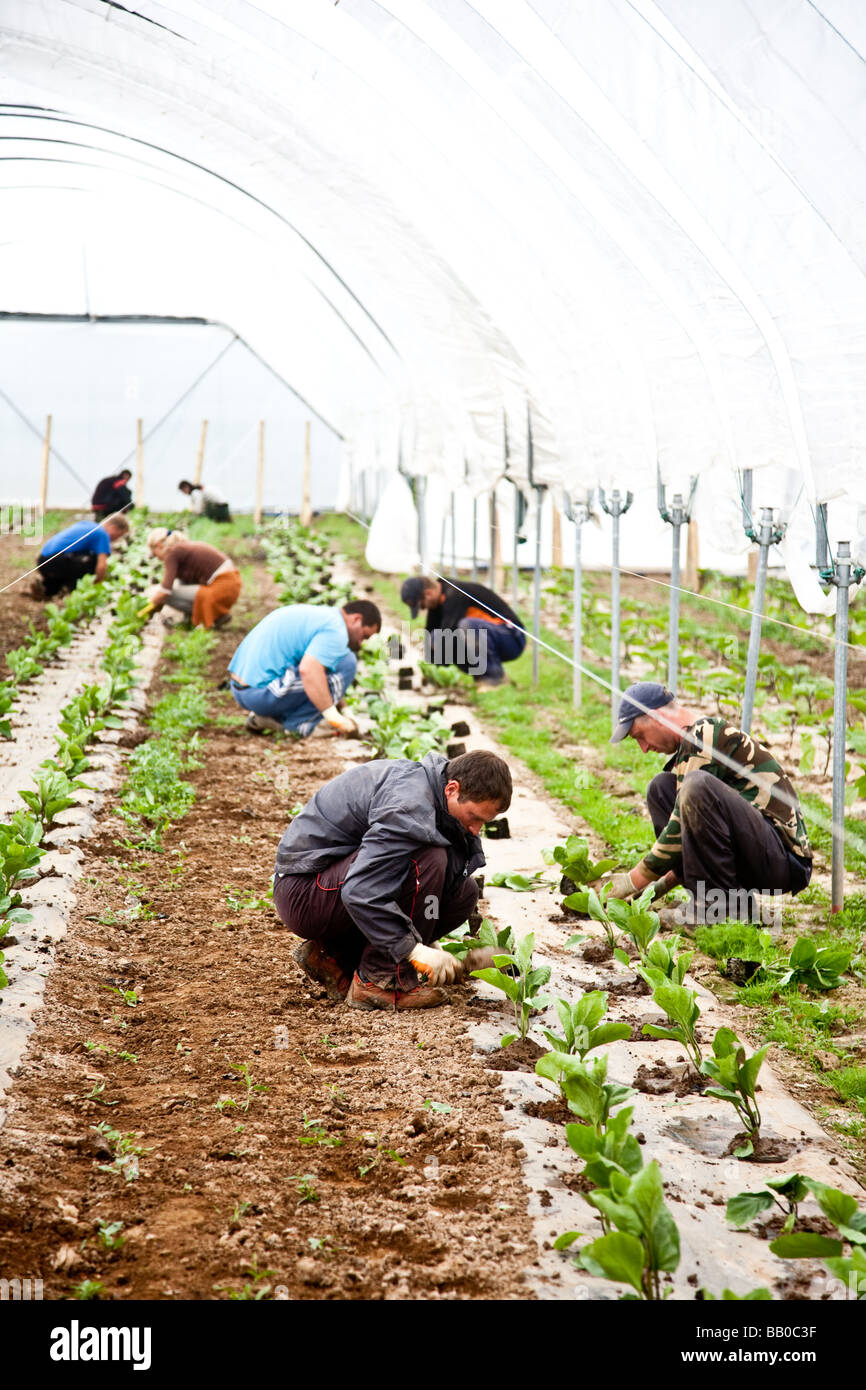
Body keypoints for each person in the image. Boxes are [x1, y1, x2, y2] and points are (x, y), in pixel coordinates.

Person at [274, 748, 512, 1010]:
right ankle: (382, 981)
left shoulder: (436, 796)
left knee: (462, 894)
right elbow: (361, 890)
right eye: (475, 817)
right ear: (452, 789)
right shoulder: (409, 807)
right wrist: (414, 950)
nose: (476, 830)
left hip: (334, 887)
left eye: (484, 822)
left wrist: (428, 939)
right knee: (429, 859)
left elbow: (431, 890)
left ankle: (334, 956)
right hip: (306, 892)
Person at [604, 682, 813, 924]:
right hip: (757, 851)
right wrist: (649, 892)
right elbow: (691, 840)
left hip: (782, 860)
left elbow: (677, 827)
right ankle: (723, 905)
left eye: (640, 736)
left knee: (696, 787)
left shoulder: (704, 734)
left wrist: (631, 882)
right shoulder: (690, 745)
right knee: (661, 789)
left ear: (658, 717)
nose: (644, 748)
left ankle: (716, 911)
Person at [227, 599, 381, 737]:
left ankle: (270, 718)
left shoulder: (325, 617)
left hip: (241, 690)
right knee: (348, 662)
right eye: (364, 636)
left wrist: (345, 709)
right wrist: (334, 717)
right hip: (260, 694)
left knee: (333, 666)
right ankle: (296, 726)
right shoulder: (337, 631)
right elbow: (308, 670)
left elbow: (317, 668)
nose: (361, 643)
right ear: (356, 619)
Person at [400, 575, 526, 688]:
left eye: (422, 605)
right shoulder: (437, 603)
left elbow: (448, 638)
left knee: (466, 626)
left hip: (512, 637)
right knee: (436, 637)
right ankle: (484, 678)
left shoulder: (455, 593)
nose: (424, 609)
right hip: (491, 636)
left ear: (428, 594)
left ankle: (494, 679)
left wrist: (438, 658)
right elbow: (432, 641)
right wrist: (431, 672)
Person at [145, 529, 241, 630]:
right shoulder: (181, 547)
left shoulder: (171, 552)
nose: (158, 559)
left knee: (153, 592)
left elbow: (165, 591)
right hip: (231, 587)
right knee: (179, 584)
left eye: (155, 554)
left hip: (220, 588)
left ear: (159, 545)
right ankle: (215, 616)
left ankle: (213, 616)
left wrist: (144, 609)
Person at [31, 515, 130, 598]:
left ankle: (46, 589)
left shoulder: (87, 524)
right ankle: (74, 592)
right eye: (119, 535)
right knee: (92, 562)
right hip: (55, 562)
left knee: (78, 561)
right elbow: (101, 566)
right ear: (113, 528)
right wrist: (97, 587)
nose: (116, 539)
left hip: (43, 560)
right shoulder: (102, 534)